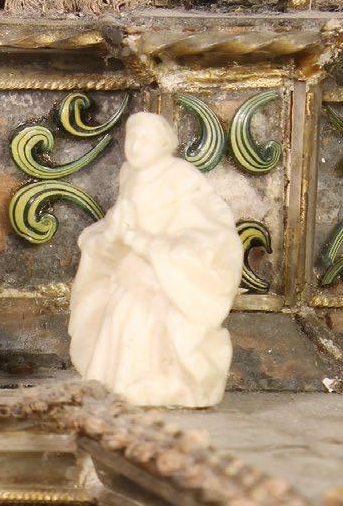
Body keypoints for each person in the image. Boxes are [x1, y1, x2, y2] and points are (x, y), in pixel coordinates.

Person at [68, 112, 242, 408]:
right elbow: (120, 219)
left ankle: (161, 382)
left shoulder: (181, 178)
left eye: (144, 139)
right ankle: (120, 381)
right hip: (132, 270)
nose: (135, 146)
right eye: (132, 138)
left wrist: (150, 245)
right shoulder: (130, 175)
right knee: (120, 316)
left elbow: (206, 229)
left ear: (163, 144)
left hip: (163, 273)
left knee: (145, 319)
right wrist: (109, 234)